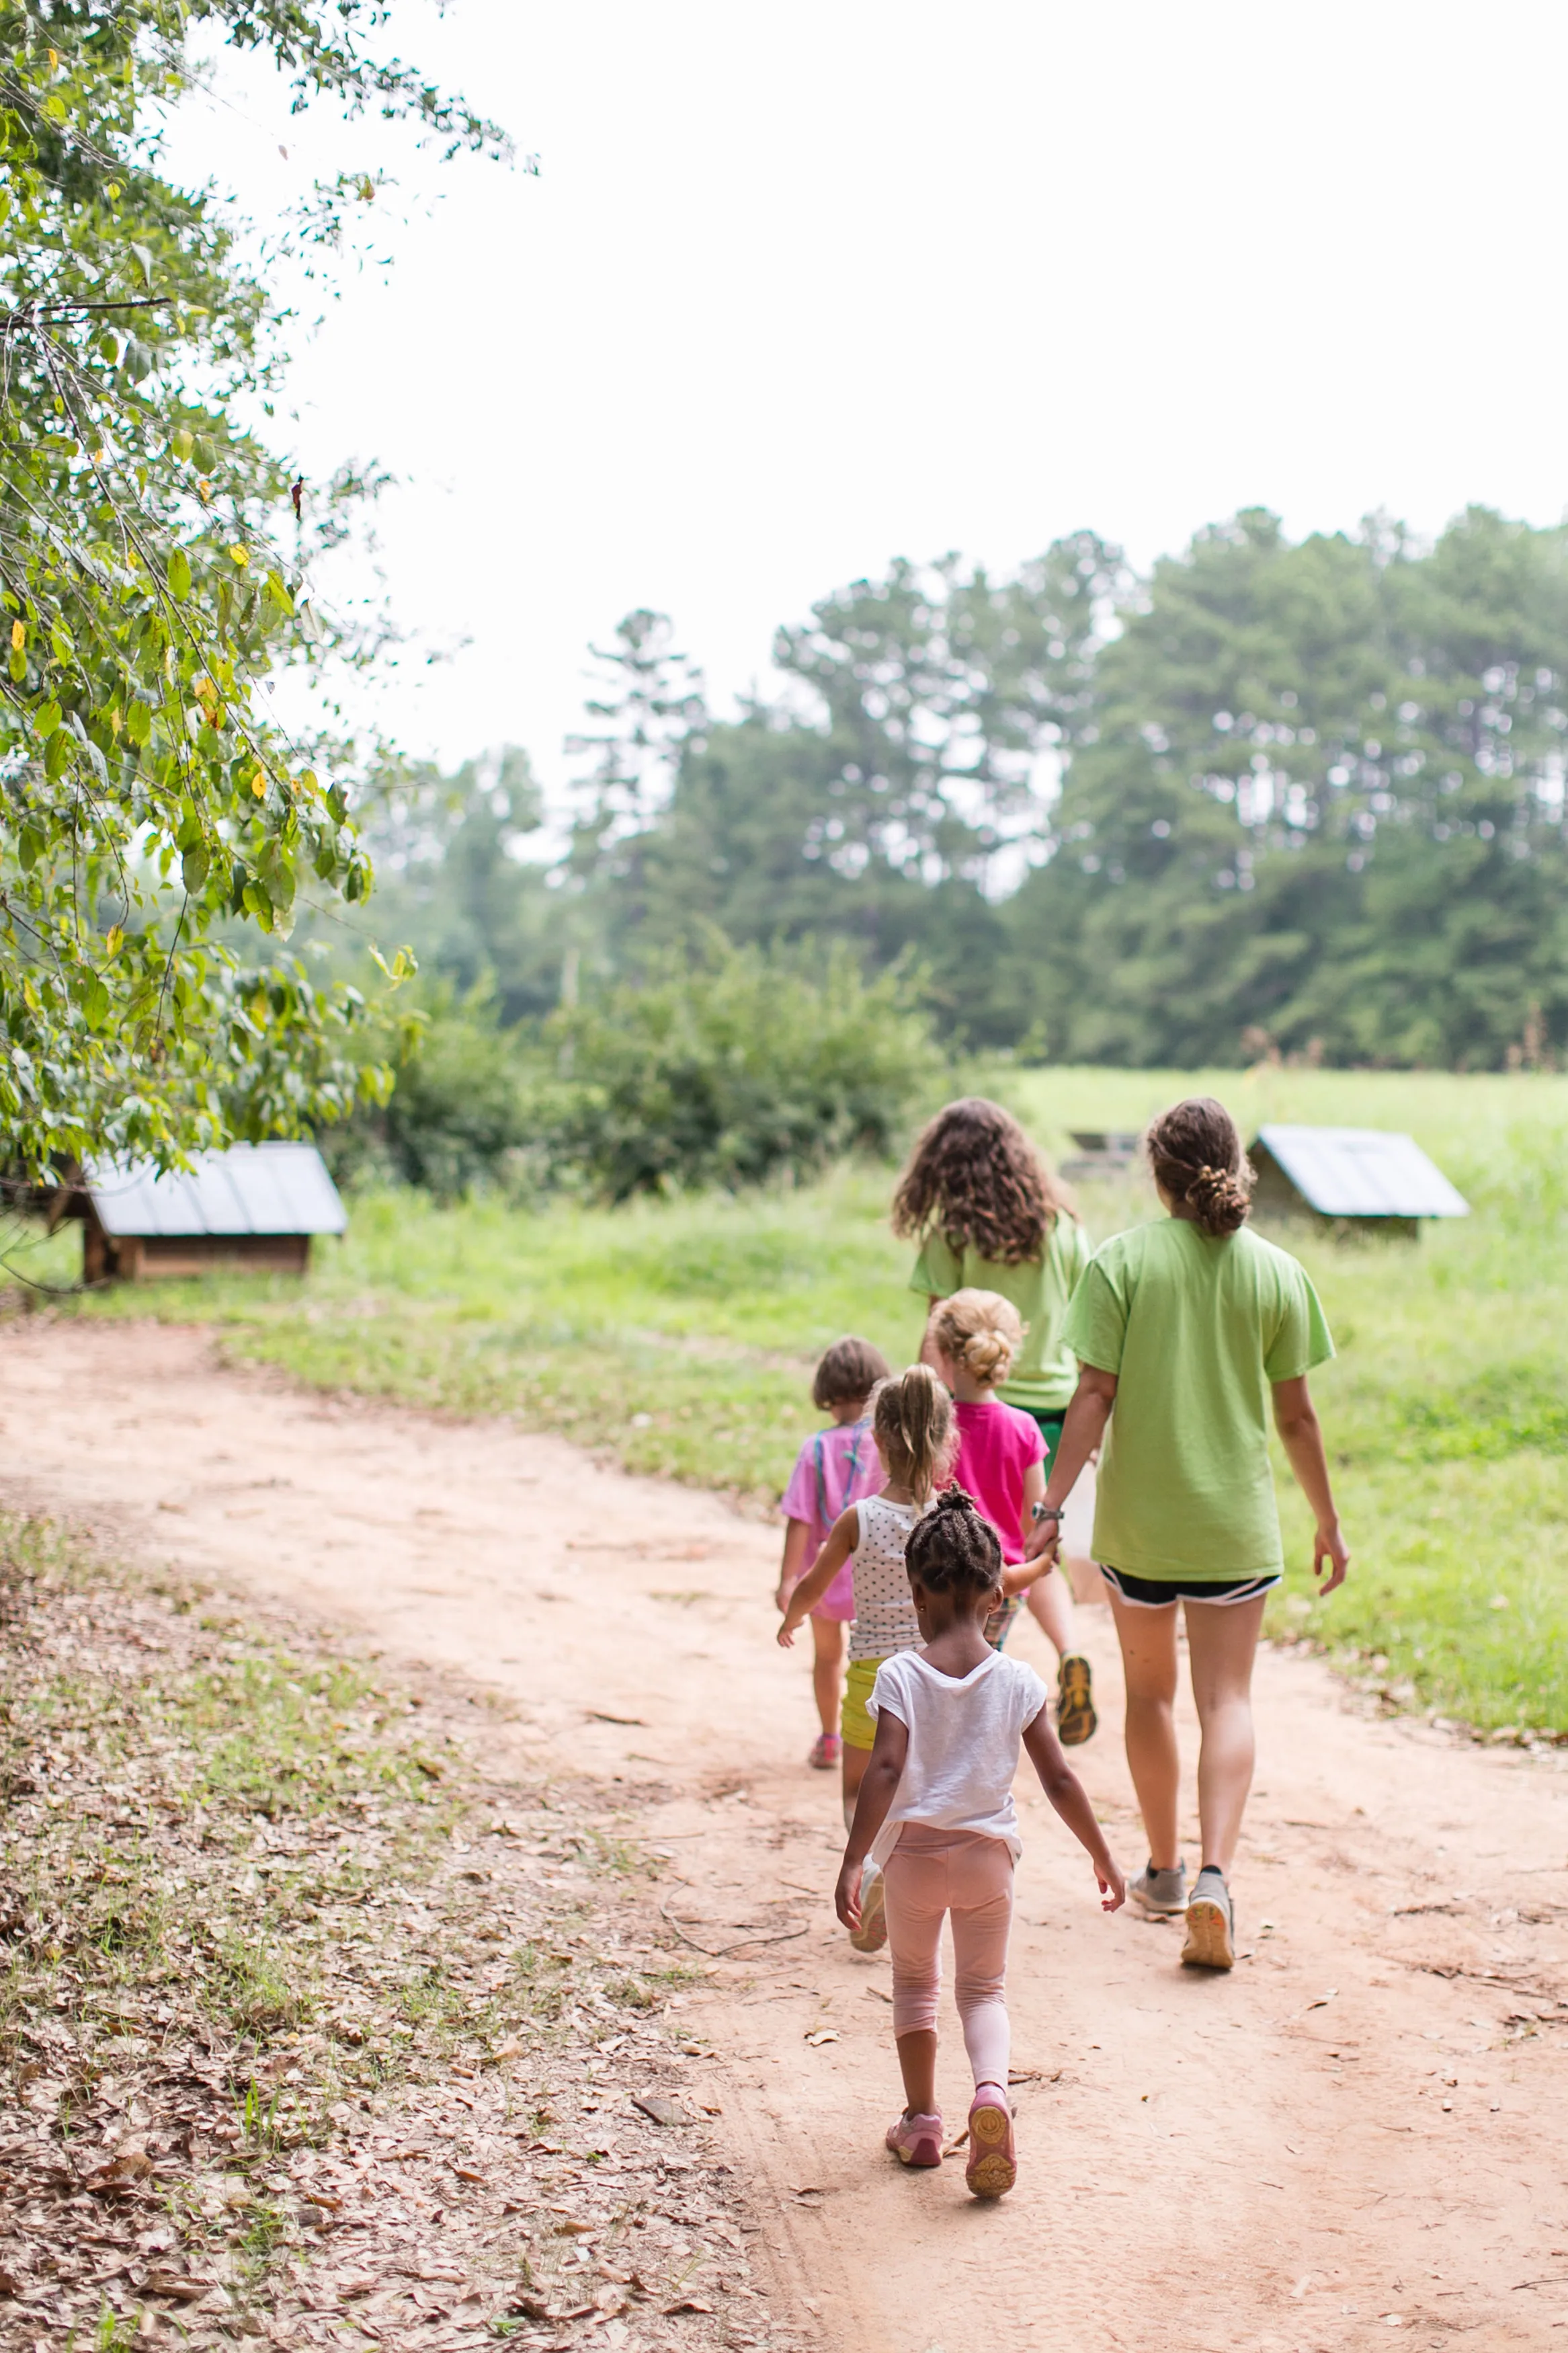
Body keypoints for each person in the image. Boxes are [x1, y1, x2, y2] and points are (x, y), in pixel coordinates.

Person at [1022, 1096, 1350, 1971]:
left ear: (1157, 1173)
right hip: (1234, 1529)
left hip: (1142, 1531)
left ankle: (1162, 1872)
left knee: (1152, 1699)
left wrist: (1050, 1510)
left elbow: (1090, 1396)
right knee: (1228, 1702)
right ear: (1234, 1167)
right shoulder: (1278, 1272)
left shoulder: (1120, 1263)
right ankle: (1215, 1879)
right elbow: (1299, 1418)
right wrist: (1327, 1519)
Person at [835, 1489, 1124, 2198]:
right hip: (986, 1858)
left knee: (914, 1985)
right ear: (997, 1593)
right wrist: (1102, 1852)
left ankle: (921, 2120)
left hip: (913, 1861)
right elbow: (1057, 1777)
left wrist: (854, 1857)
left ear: (915, 1592)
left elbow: (883, 1767)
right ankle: (990, 2092)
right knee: (982, 1987)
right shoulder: (1017, 1679)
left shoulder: (902, 1674)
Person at [893, 1096, 1097, 1743]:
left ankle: (970, 1692)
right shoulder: (1060, 1223)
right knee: (1031, 1547)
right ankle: (1069, 1652)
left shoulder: (953, 1233)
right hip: (1055, 1413)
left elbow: (935, 1336)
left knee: (969, 1559)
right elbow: (1090, 1315)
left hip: (972, 1419)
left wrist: (925, 1421)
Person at [778, 1363, 952, 1954]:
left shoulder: (860, 1518)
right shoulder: (951, 1519)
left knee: (860, 1787)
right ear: (944, 1441)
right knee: (919, 1787)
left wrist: (793, 1616)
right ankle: (910, 1886)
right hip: (934, 1680)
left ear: (876, 1439)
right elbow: (987, 1586)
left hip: (872, 1676)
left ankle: (871, 1869)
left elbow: (812, 1583)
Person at [776, 1337, 891, 1771]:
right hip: (874, 1574)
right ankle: (880, 1738)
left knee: (827, 1657)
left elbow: (799, 1517)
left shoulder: (815, 1448)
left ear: (826, 1392)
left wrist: (788, 1579)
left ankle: (829, 1739)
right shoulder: (883, 1443)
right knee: (877, 1661)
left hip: (824, 1577)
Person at [925, 1289, 1051, 1662]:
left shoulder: (935, 1426)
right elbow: (1035, 1517)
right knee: (982, 1669)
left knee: (938, 1670)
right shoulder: (1025, 1428)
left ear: (946, 1355)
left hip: (938, 1578)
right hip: (1001, 1584)